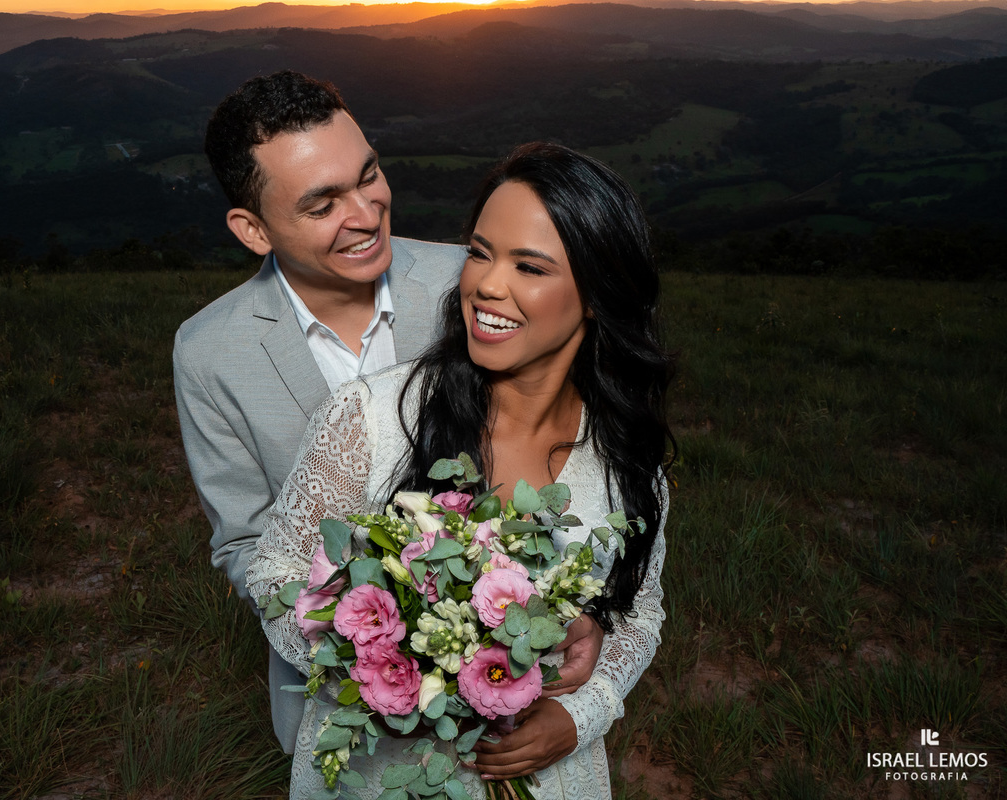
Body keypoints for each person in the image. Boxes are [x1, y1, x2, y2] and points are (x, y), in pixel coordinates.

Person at [173, 73, 604, 754]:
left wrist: (560, 620)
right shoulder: (209, 353)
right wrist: (365, 658)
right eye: (322, 205)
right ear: (253, 229)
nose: (366, 213)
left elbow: (570, 456)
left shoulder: (472, 284)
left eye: (368, 175)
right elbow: (243, 542)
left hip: (514, 692)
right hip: (343, 717)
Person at [247, 142, 675, 798]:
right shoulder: (373, 419)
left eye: (528, 266)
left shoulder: (625, 466)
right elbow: (273, 572)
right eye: (479, 252)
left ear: (596, 297)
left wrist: (582, 710)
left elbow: (640, 613)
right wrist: (386, 676)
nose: (486, 285)